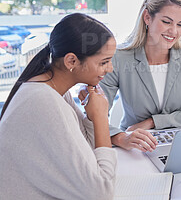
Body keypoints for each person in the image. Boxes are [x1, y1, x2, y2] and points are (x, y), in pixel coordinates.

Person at [0, 13, 137, 199]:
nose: (110, 69)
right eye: (104, 62)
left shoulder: (55, 88)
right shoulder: (43, 100)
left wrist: (90, 117)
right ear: (71, 61)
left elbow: (87, 154)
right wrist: (100, 117)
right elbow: (102, 192)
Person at [79, 0, 181, 151]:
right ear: (147, 18)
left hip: (178, 146)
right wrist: (121, 138)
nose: (174, 31)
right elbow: (94, 117)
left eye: (180, 24)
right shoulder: (119, 58)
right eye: (166, 22)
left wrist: (153, 122)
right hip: (134, 147)